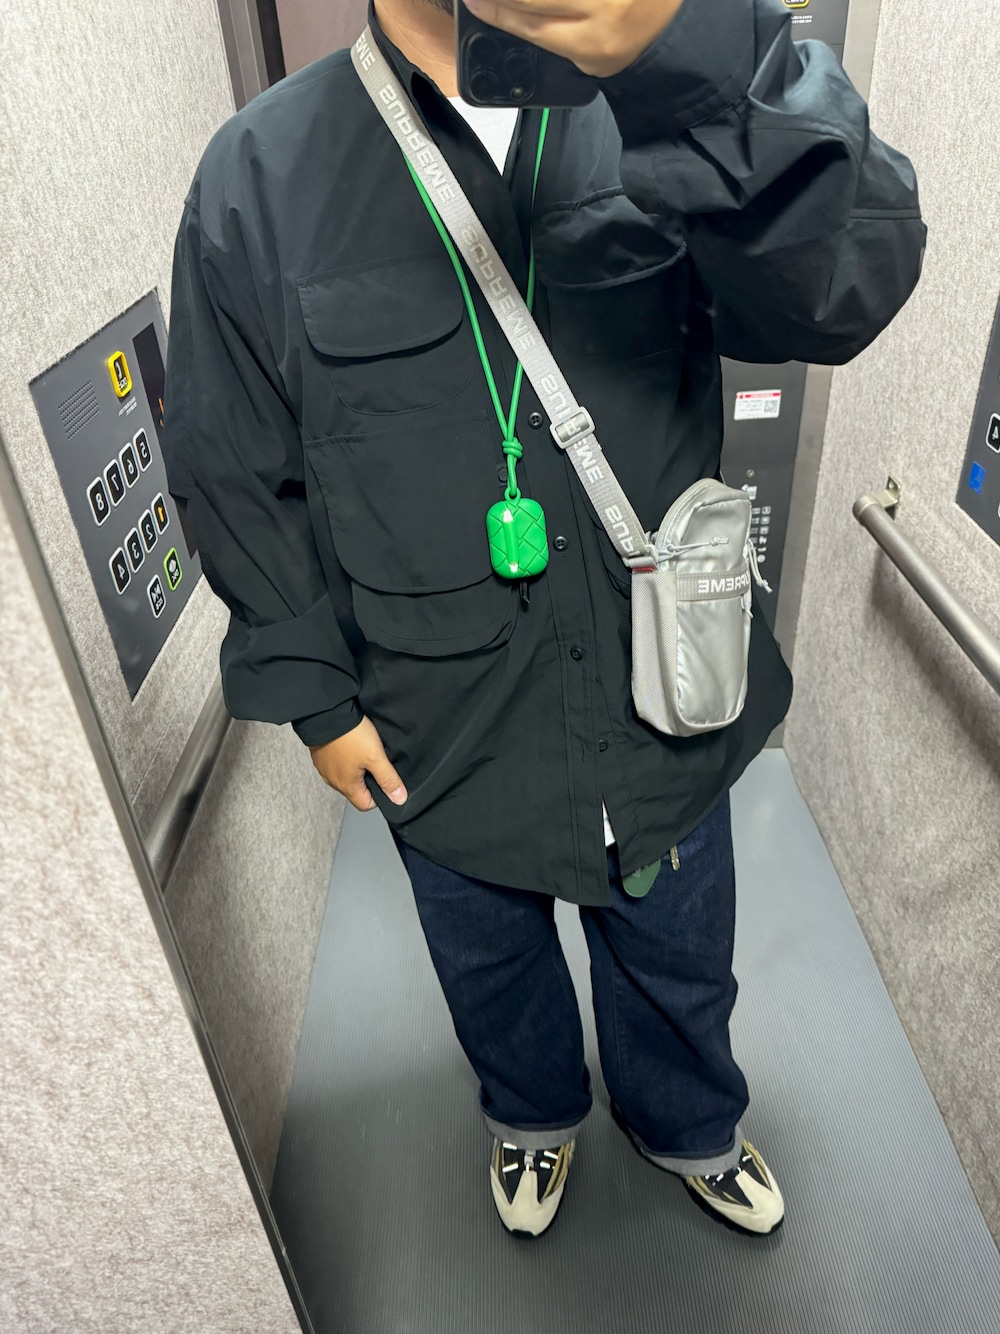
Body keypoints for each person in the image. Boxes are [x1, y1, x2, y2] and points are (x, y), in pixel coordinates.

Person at [163, 0, 924, 1239]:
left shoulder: (675, 94)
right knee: (488, 963)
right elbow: (233, 465)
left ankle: (689, 1120)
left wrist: (684, 62)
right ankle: (531, 1113)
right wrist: (317, 697)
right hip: (438, 712)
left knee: (681, 943)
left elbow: (845, 287)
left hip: (658, 688)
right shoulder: (259, 175)